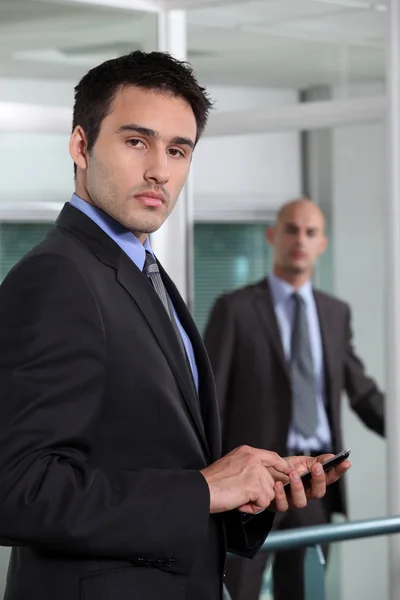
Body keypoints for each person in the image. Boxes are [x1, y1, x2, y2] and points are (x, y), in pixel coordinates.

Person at [0, 55, 350, 600]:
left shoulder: (141, 270)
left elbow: (153, 456)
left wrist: (245, 485)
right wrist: (203, 490)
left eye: (177, 150)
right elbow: (16, 490)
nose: (159, 169)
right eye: (136, 142)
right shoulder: (57, 277)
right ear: (80, 146)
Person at [204, 197, 383, 600]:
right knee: (236, 592)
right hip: (251, 484)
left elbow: (364, 394)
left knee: (305, 591)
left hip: (315, 481)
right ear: (272, 236)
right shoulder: (234, 309)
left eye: (311, 232)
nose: (300, 239)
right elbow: (207, 399)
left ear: (322, 244)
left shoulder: (335, 313)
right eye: (291, 229)